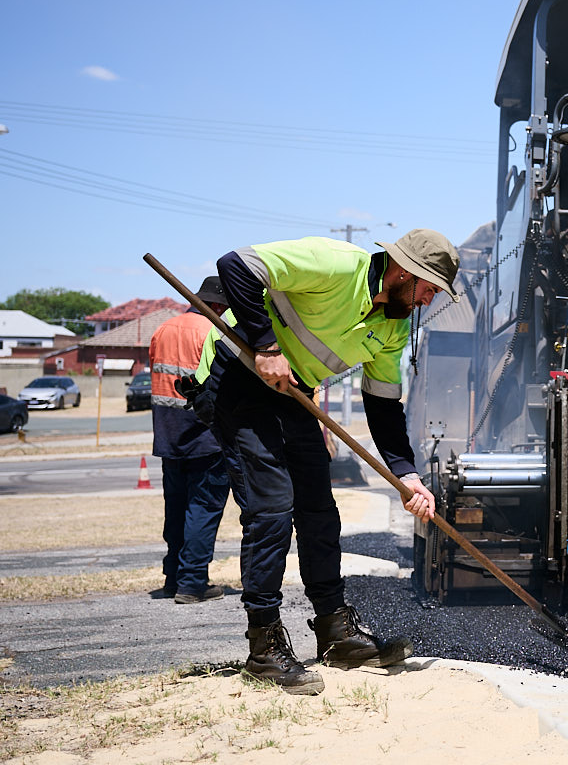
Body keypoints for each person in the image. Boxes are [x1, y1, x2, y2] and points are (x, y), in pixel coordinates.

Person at [197, 229, 460, 693]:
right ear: (405, 272)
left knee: (319, 511)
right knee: (272, 509)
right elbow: (234, 264)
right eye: (430, 288)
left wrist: (408, 476)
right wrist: (266, 346)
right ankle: (264, 645)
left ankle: (336, 632)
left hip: (290, 391)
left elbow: (383, 407)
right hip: (238, 373)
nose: (428, 300)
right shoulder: (336, 263)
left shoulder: (393, 328)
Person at [150, 277, 237, 604]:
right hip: (207, 437)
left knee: (176, 509)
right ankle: (192, 583)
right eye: (227, 308)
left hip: (169, 437)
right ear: (216, 306)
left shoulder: (163, 329)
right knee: (202, 509)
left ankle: (172, 578)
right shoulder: (211, 332)